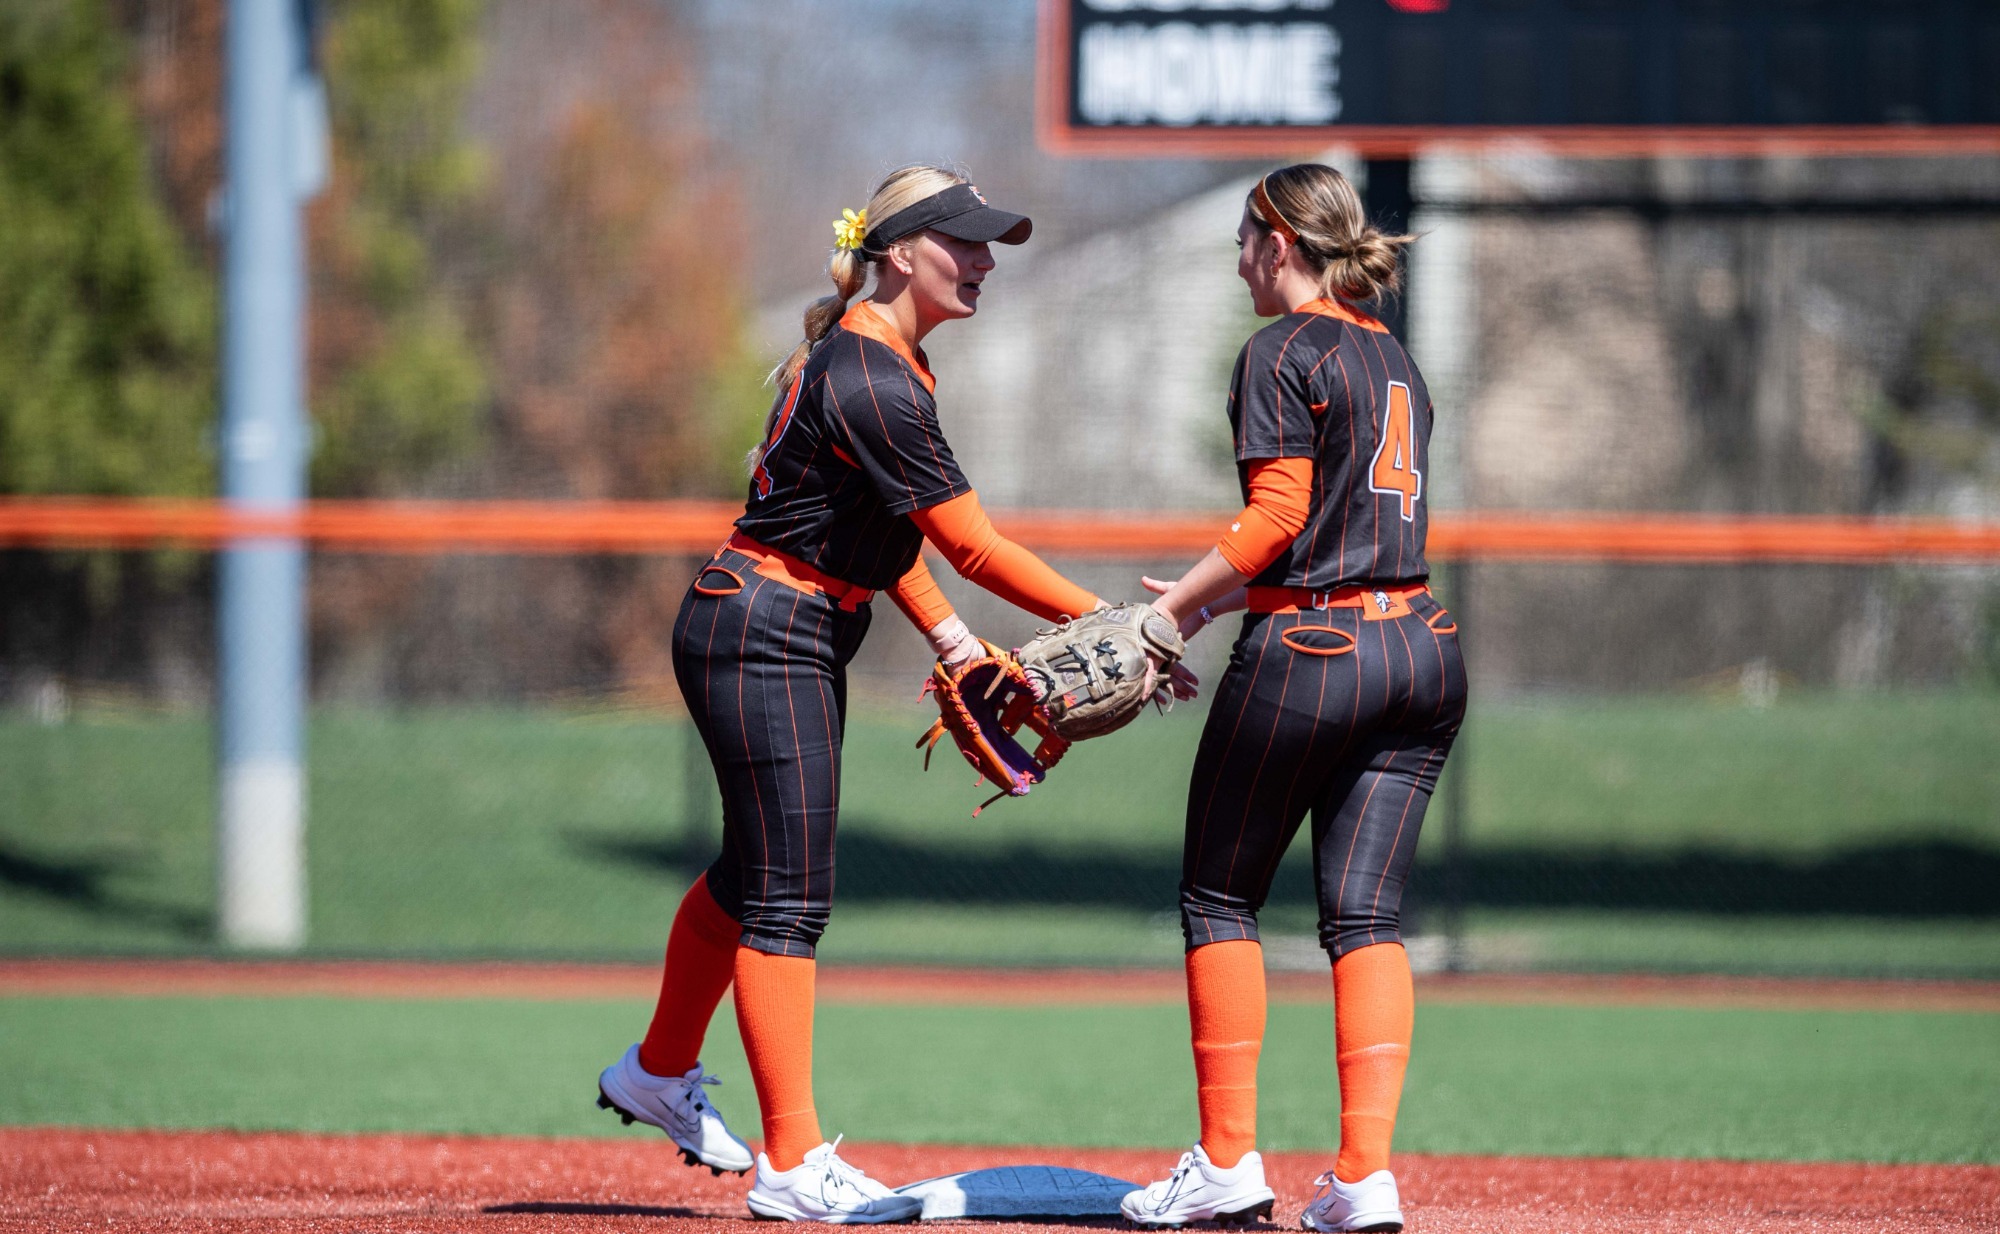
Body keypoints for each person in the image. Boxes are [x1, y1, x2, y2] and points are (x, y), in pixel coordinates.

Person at [593, 164, 1122, 1224]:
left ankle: (656, 1070)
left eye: (986, 245)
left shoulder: (887, 359)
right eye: (960, 243)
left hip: (779, 620)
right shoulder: (870, 376)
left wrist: (952, 637)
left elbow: (889, 542)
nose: (980, 262)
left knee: (754, 874)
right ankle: (792, 1165)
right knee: (791, 895)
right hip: (765, 626)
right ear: (896, 254)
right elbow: (967, 542)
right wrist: (1109, 619)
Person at [1119, 164, 1468, 1234]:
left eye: (1242, 239)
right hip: (1422, 646)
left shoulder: (1281, 348)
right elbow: (1336, 523)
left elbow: (1278, 512)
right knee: (1365, 918)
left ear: (1278, 240)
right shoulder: (1394, 354)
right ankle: (1364, 1176)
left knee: (1218, 898)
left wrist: (1169, 613)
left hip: (1313, 648)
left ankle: (1226, 1160)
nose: (1237, 261)